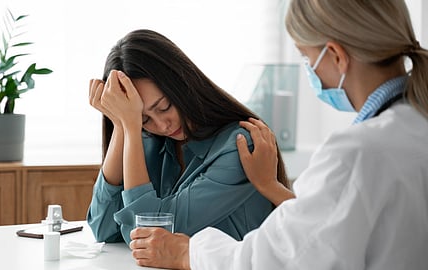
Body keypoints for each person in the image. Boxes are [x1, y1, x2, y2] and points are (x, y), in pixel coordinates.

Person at [129, 0, 428, 269]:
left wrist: (187, 252)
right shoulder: (412, 126)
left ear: (335, 55)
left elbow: (281, 258)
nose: (309, 71)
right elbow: (328, 226)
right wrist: (269, 185)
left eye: (306, 58)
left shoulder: (358, 152)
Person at [86, 29, 292, 245]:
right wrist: (121, 124)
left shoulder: (240, 146)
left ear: (181, 84)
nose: (162, 125)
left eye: (164, 107)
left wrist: (130, 125)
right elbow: (103, 229)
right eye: (144, 119)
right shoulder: (150, 143)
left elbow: (151, 236)